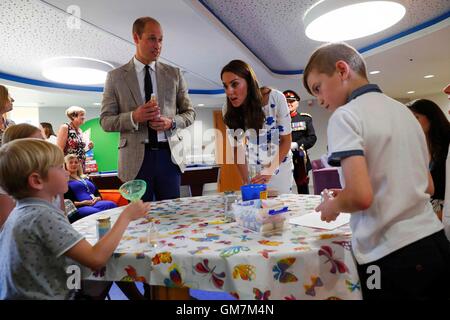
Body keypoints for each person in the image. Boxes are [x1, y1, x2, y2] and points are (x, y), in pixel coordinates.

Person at [304, 42, 450, 300]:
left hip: (391, 255)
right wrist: (351, 191)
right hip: (435, 242)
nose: (320, 100)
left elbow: (361, 197)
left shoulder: (345, 116)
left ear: (341, 70)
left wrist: (333, 205)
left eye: (318, 88)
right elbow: (426, 185)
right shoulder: (405, 113)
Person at [0, 139, 150, 299]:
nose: (66, 172)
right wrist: (126, 216)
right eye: (59, 168)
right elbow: (96, 259)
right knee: (109, 267)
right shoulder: (42, 216)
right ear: (37, 181)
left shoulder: (21, 212)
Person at [100, 16, 196, 202]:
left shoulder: (174, 74)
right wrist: (134, 117)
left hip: (169, 156)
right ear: (136, 38)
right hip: (134, 161)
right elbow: (105, 121)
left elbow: (190, 113)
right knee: (139, 219)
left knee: (171, 216)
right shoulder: (115, 77)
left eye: (161, 40)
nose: (158, 45)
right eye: (152, 38)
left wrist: (171, 122)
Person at [221, 60, 293, 194]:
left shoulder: (275, 98)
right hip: (253, 167)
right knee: (257, 209)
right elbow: (237, 148)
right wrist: (246, 181)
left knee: (279, 208)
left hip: (279, 165)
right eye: (225, 86)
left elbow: (286, 141)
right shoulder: (227, 109)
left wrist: (269, 170)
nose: (229, 91)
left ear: (248, 82)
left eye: (235, 84)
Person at [407, 99, 450, 220]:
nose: (412, 123)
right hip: (430, 214)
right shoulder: (419, 147)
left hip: (444, 213)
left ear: (432, 118)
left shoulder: (447, 144)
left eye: (416, 118)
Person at [64, 154, 117, 223]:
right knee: (96, 213)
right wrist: (82, 203)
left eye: (76, 162)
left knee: (112, 205)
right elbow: (66, 201)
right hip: (80, 207)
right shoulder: (64, 181)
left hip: (95, 203)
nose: (74, 164)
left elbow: (97, 193)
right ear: (65, 165)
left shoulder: (86, 178)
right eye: (71, 162)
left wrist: (97, 198)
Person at [283, 89, 317, 194]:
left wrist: (296, 144)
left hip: (300, 159)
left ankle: (305, 209)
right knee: (282, 189)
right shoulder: (277, 120)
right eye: (285, 101)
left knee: (303, 189)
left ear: (297, 102)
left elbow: (312, 138)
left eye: (291, 101)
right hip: (282, 159)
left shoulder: (305, 118)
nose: (288, 104)